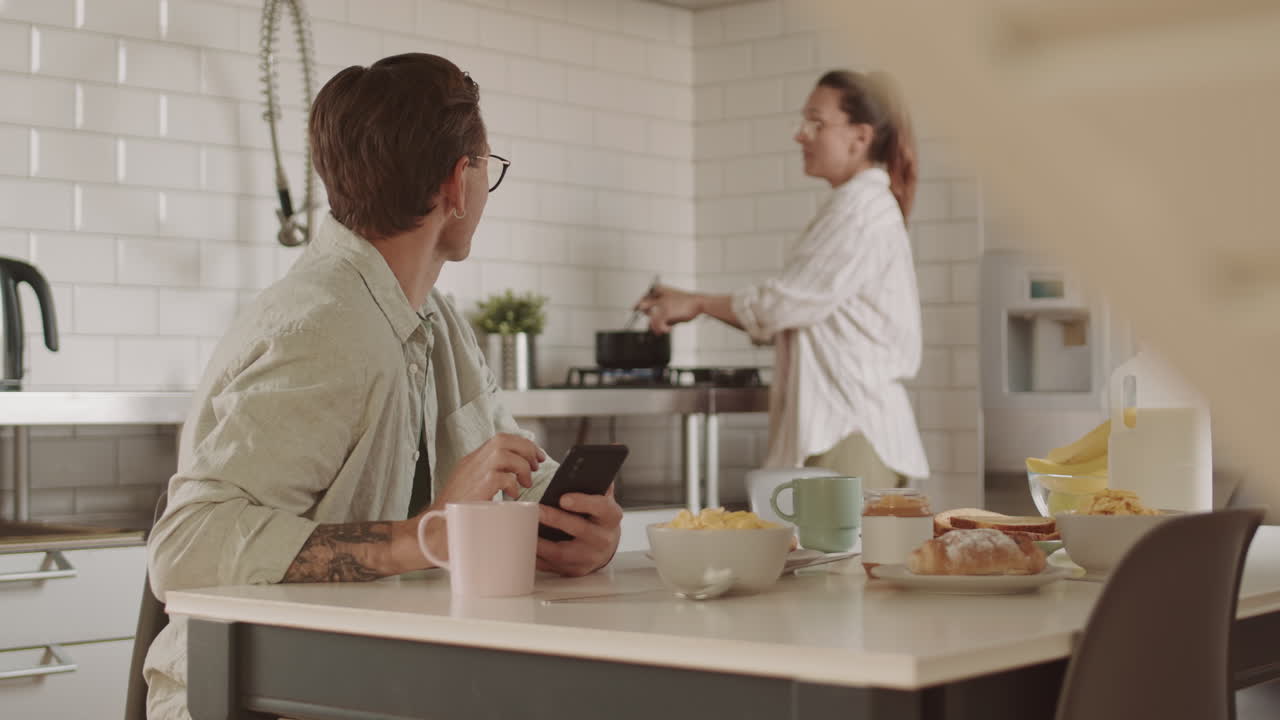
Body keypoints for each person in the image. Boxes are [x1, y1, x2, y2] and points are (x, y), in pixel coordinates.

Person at [142, 53, 622, 720]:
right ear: (456, 184)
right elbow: (185, 547)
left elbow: (512, 479)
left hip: (364, 683)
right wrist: (419, 538)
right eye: (487, 167)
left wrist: (577, 534)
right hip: (250, 696)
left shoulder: (437, 321)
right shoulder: (324, 328)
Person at [636, 70, 929, 489]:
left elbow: (782, 307)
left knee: (845, 539)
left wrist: (698, 303)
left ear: (859, 137)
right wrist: (694, 299)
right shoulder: (860, 205)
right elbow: (797, 307)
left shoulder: (860, 209)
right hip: (850, 430)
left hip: (849, 430)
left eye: (816, 123)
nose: (800, 135)